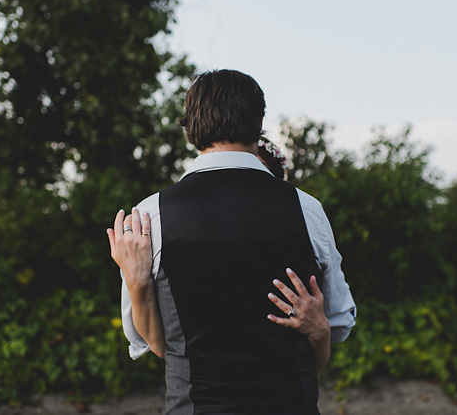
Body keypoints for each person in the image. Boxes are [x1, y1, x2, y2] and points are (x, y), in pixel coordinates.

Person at [108, 69, 356, 414]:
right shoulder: (307, 209)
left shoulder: (150, 217)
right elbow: (338, 322)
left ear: (190, 128)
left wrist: (138, 284)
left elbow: (151, 343)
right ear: (259, 121)